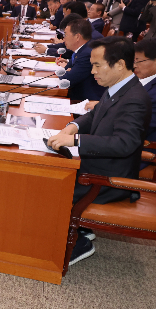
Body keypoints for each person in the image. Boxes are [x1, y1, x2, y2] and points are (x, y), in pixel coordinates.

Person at [47, 36, 151, 265]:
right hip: (97, 164)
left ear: (120, 65)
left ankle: (79, 242)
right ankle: (81, 229)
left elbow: (125, 143)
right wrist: (72, 126)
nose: (92, 71)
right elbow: (95, 114)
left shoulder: (134, 98)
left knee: (50, 183)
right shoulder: (118, 85)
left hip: (107, 179)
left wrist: (76, 141)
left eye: (97, 65)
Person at [54, 19, 105, 101]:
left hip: (86, 101)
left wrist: (69, 72)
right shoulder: (81, 50)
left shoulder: (87, 53)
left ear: (77, 37)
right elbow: (67, 68)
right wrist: (69, 71)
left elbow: (67, 80)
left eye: (66, 35)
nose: (64, 39)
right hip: (77, 94)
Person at [133, 39, 156, 169]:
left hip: (140, 151)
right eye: (134, 61)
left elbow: (140, 126)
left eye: (139, 61)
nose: (135, 66)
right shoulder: (141, 79)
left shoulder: (153, 93)